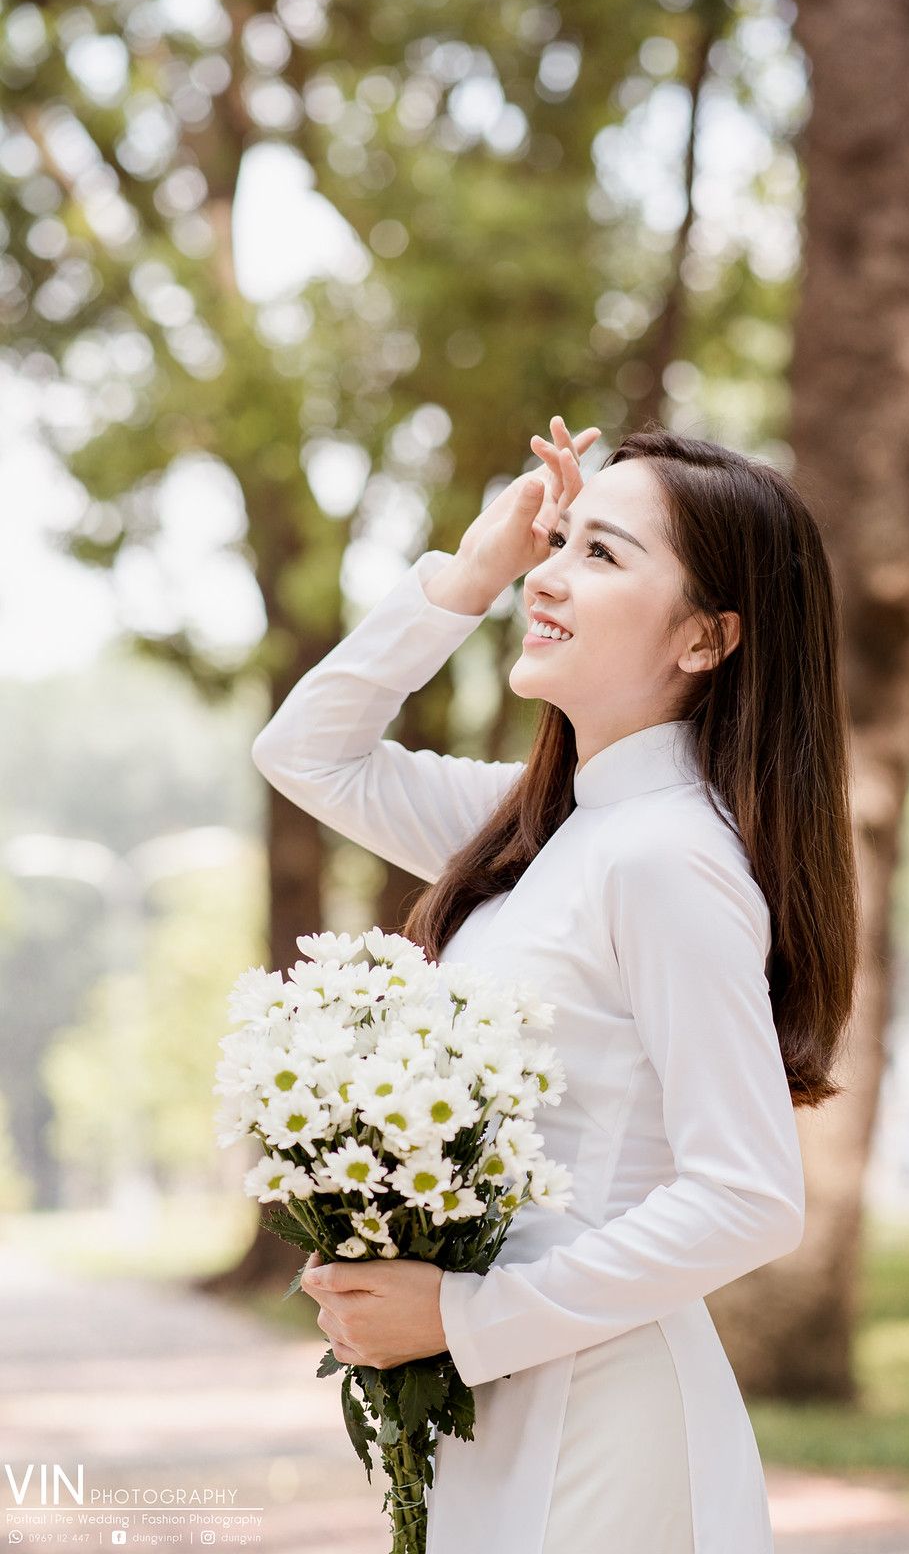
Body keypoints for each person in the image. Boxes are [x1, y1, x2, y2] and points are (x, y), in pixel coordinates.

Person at [251, 416, 859, 1554]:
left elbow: (750, 1194)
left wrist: (471, 1315)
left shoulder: (668, 857)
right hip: (500, 1399)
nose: (550, 573)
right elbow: (305, 751)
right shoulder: (548, 828)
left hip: (604, 1417)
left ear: (708, 638)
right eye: (558, 538)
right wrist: (472, 571)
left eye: (603, 553)